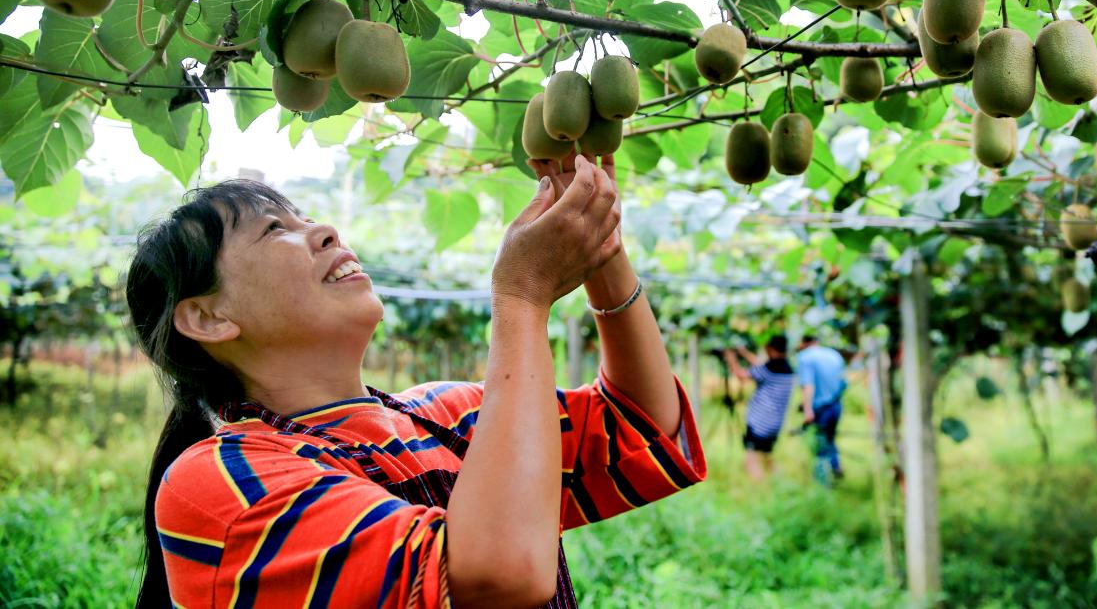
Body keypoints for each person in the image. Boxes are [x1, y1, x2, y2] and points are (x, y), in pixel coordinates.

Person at [127, 153, 706, 609]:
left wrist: (600, 243)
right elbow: (499, 576)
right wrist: (523, 296)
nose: (325, 229)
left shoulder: (450, 415)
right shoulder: (220, 483)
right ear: (208, 318)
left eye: (306, 216)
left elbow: (642, 423)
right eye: (273, 229)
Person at [723, 334, 795, 480]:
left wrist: (731, 359)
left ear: (771, 349)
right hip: (775, 423)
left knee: (752, 458)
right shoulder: (787, 368)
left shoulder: (769, 369)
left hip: (759, 422)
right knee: (767, 455)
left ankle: (758, 488)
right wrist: (743, 352)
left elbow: (741, 375)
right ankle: (778, 483)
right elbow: (759, 365)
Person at [797, 334, 846, 484]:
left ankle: (822, 484)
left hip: (819, 408)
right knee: (829, 438)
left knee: (819, 445)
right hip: (836, 405)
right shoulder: (834, 355)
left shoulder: (805, 357)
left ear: (804, 343)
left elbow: (808, 385)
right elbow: (843, 383)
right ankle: (836, 466)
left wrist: (807, 409)